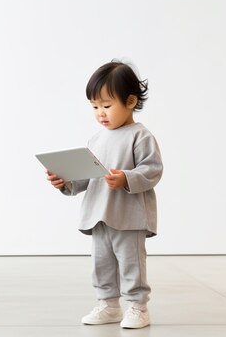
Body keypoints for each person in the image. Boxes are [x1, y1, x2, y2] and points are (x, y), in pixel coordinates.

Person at [46, 59, 163, 329]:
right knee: (102, 264)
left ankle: (138, 307)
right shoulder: (96, 139)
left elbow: (153, 170)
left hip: (129, 216)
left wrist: (126, 178)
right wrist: (65, 182)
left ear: (131, 101)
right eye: (95, 106)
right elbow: (88, 178)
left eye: (107, 106)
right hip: (99, 215)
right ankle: (108, 304)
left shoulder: (140, 136)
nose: (101, 113)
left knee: (131, 264)